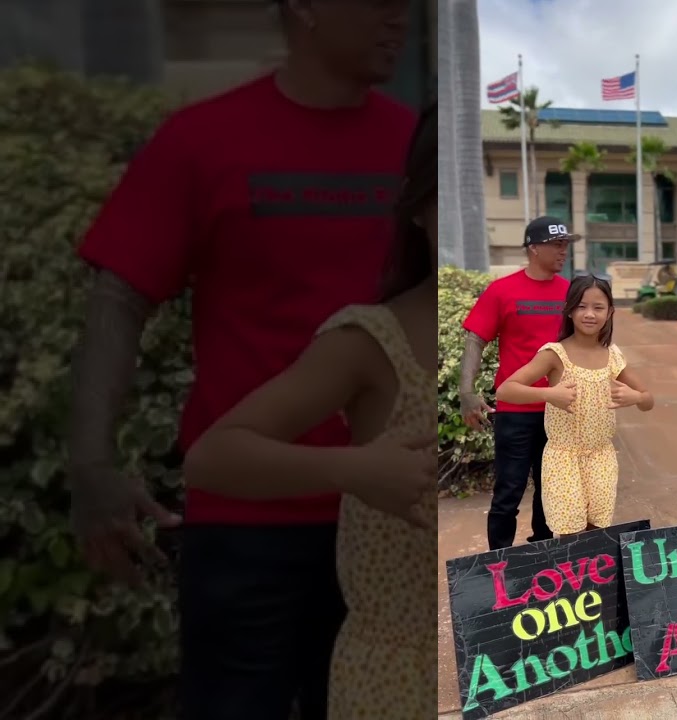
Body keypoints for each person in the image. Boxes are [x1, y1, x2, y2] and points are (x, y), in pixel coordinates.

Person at [66, 1, 417, 718]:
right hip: (249, 518)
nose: (398, 18)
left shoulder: (417, 146)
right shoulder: (202, 140)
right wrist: (91, 465)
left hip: (389, 524)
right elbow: (120, 296)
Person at [183, 106, 436, 720]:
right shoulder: (374, 340)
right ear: (422, 207)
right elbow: (212, 457)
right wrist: (354, 470)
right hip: (394, 680)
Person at [496, 275, 654, 535]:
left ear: (610, 312)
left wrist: (636, 398)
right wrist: (549, 394)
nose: (589, 314)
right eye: (581, 306)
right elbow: (506, 390)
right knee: (570, 533)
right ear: (569, 310)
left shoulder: (612, 355)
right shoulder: (555, 353)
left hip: (601, 456)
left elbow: (648, 399)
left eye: (598, 307)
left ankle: (591, 577)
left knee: (597, 532)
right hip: (563, 458)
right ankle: (572, 576)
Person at [460, 216, 575, 549]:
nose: (563, 251)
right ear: (533, 248)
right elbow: (475, 338)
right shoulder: (502, 290)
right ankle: (499, 561)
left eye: (566, 245)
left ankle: (541, 551)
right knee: (508, 490)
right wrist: (466, 391)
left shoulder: (570, 292)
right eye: (557, 244)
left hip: (558, 408)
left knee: (550, 489)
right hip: (515, 410)